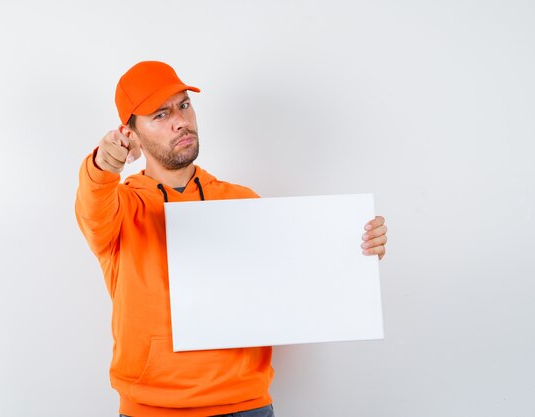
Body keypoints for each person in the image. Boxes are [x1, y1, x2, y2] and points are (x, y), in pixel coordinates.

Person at [75, 61, 388, 417]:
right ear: (130, 134)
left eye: (183, 105)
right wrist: (103, 164)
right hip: (151, 409)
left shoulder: (241, 201)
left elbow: (292, 281)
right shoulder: (120, 209)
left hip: (246, 406)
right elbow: (93, 204)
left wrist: (354, 251)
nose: (180, 120)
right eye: (159, 115)